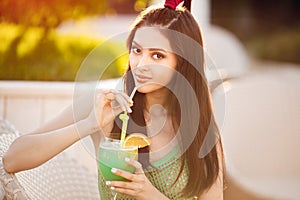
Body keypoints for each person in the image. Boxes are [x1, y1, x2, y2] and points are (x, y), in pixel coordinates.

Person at [3, 0, 224, 199]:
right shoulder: (104, 106)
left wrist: (149, 194)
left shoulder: (202, 130)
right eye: (137, 51)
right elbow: (12, 158)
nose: (141, 64)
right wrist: (89, 124)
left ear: (183, 63)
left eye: (157, 55)